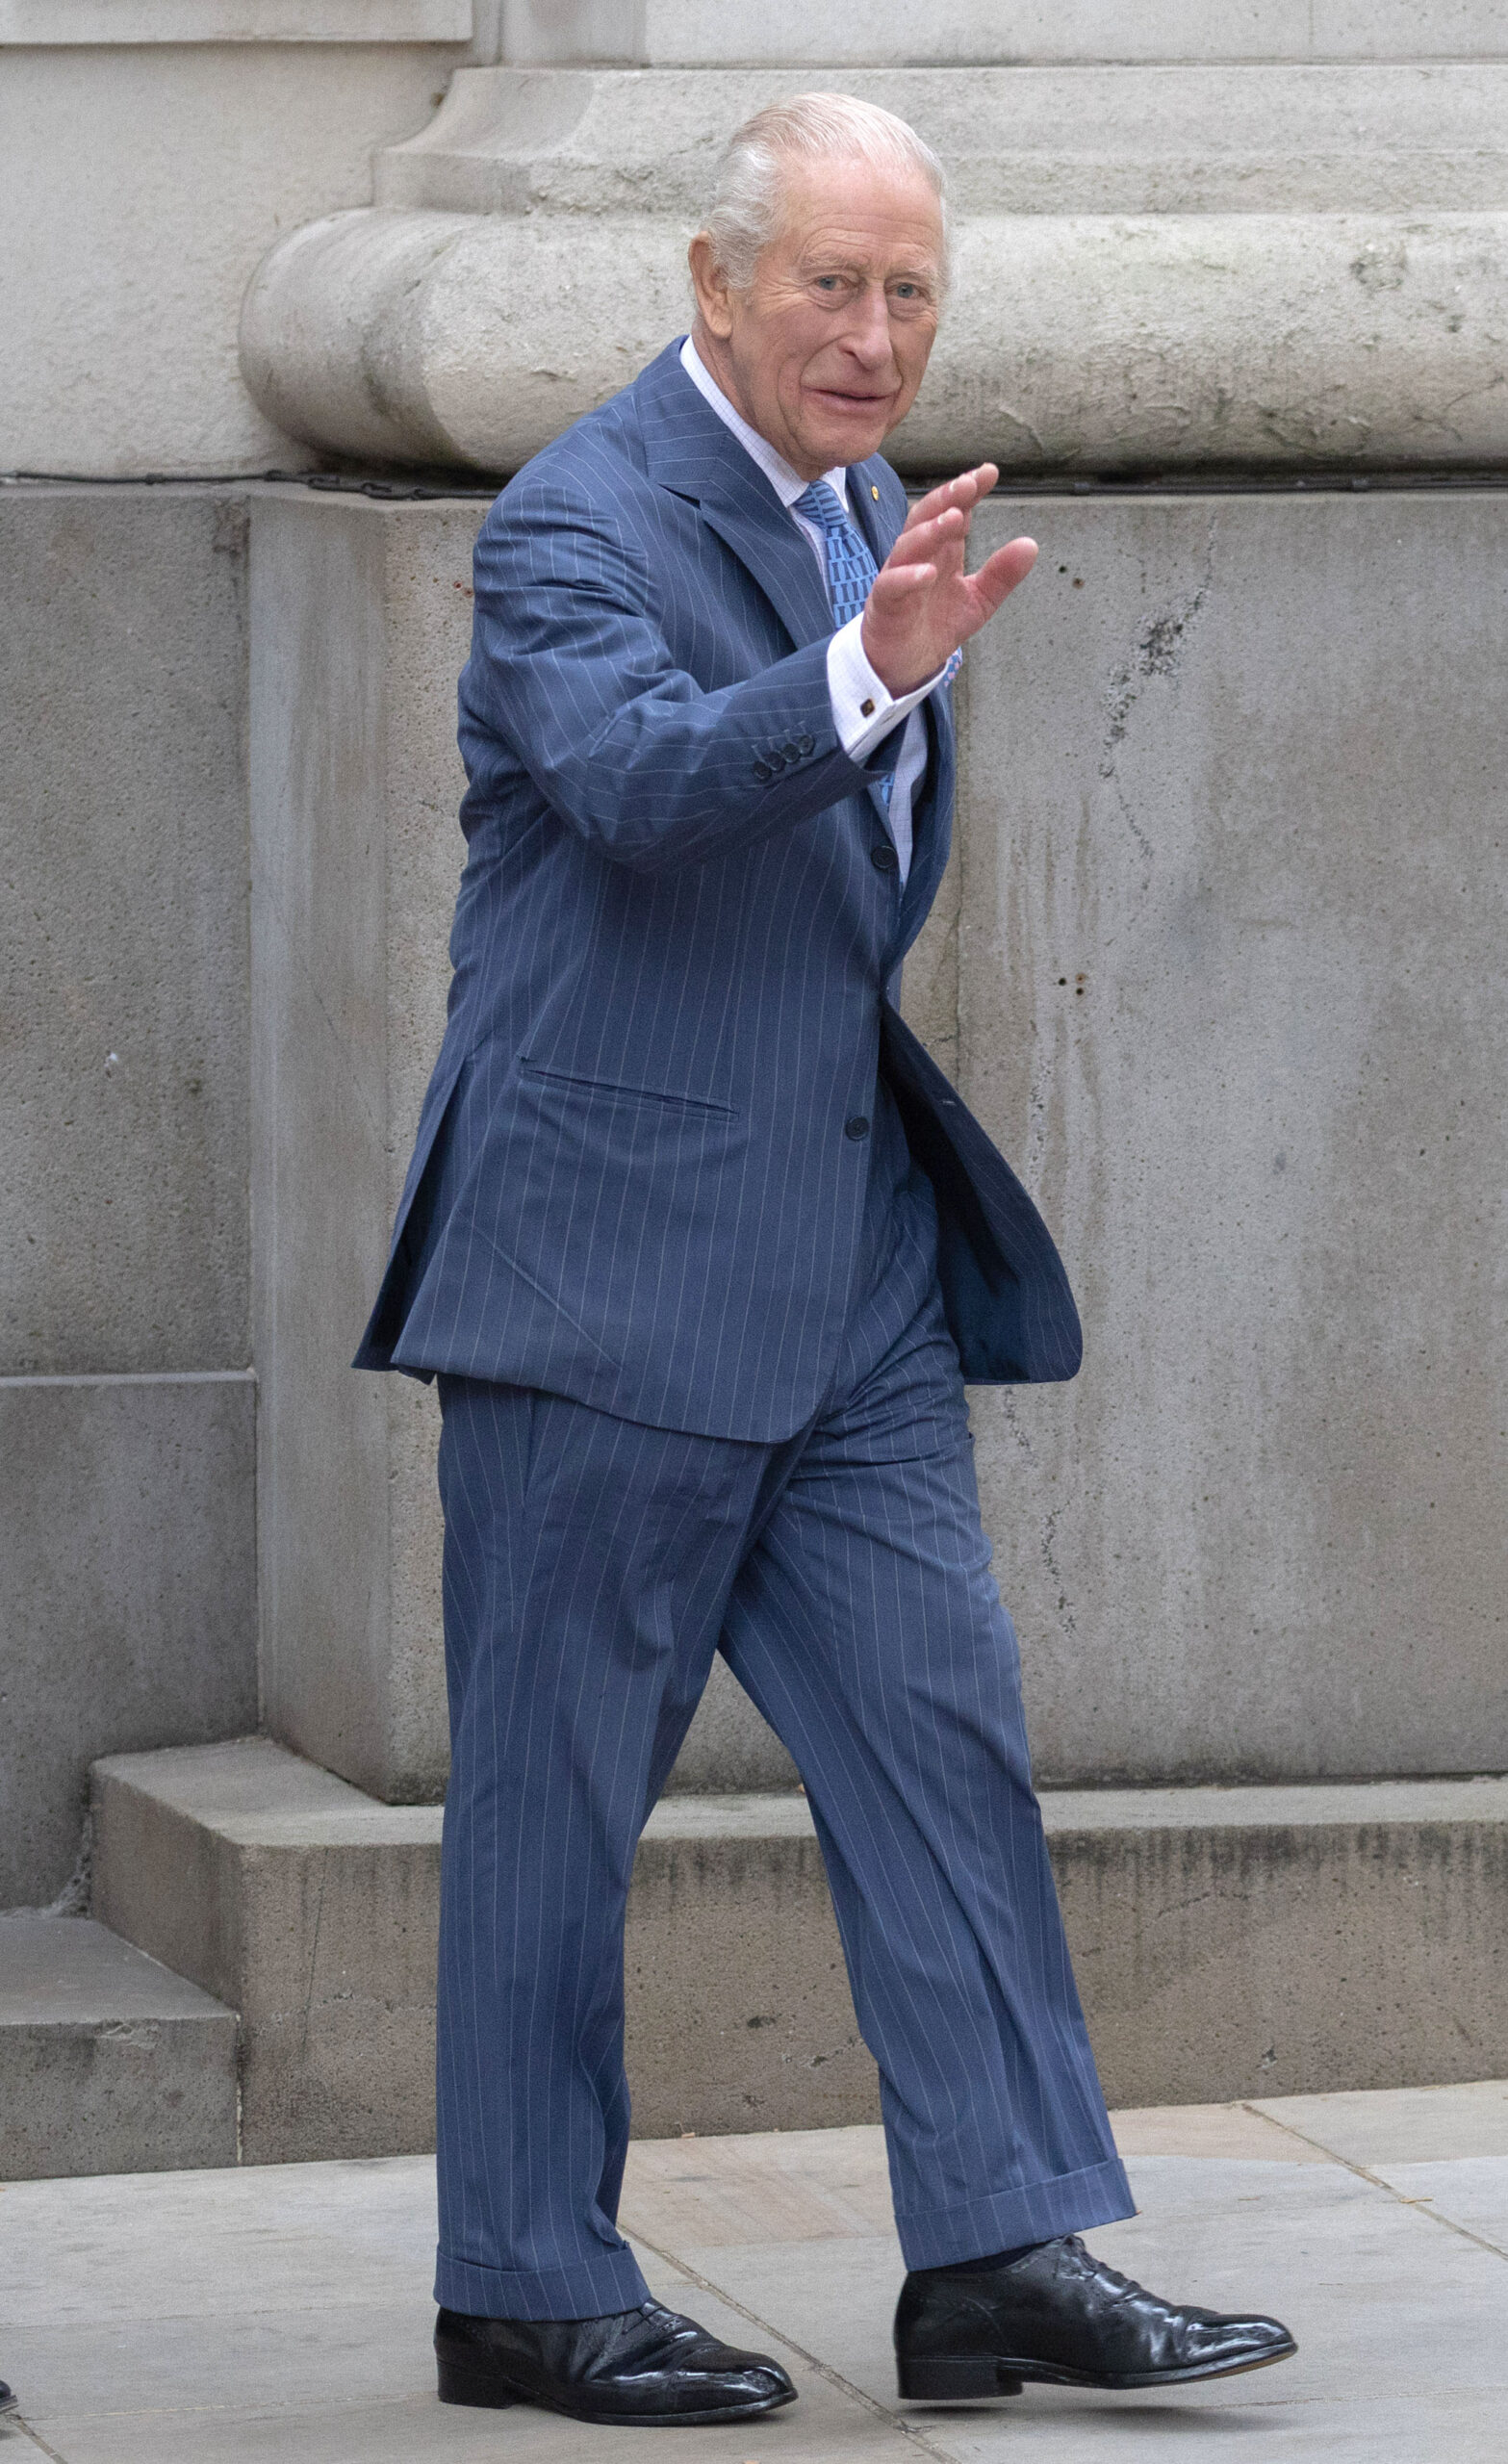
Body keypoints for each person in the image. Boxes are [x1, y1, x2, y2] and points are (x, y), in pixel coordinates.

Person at [355, 91, 1295, 2429]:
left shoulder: (870, 507)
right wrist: (871, 671)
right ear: (712, 282)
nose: (874, 340)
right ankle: (523, 2284)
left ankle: (994, 2249)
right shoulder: (578, 516)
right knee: (557, 1795)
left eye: (908, 296)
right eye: (831, 288)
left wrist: (881, 633)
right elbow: (650, 784)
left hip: (844, 1255)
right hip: (607, 1261)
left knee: (940, 1736)